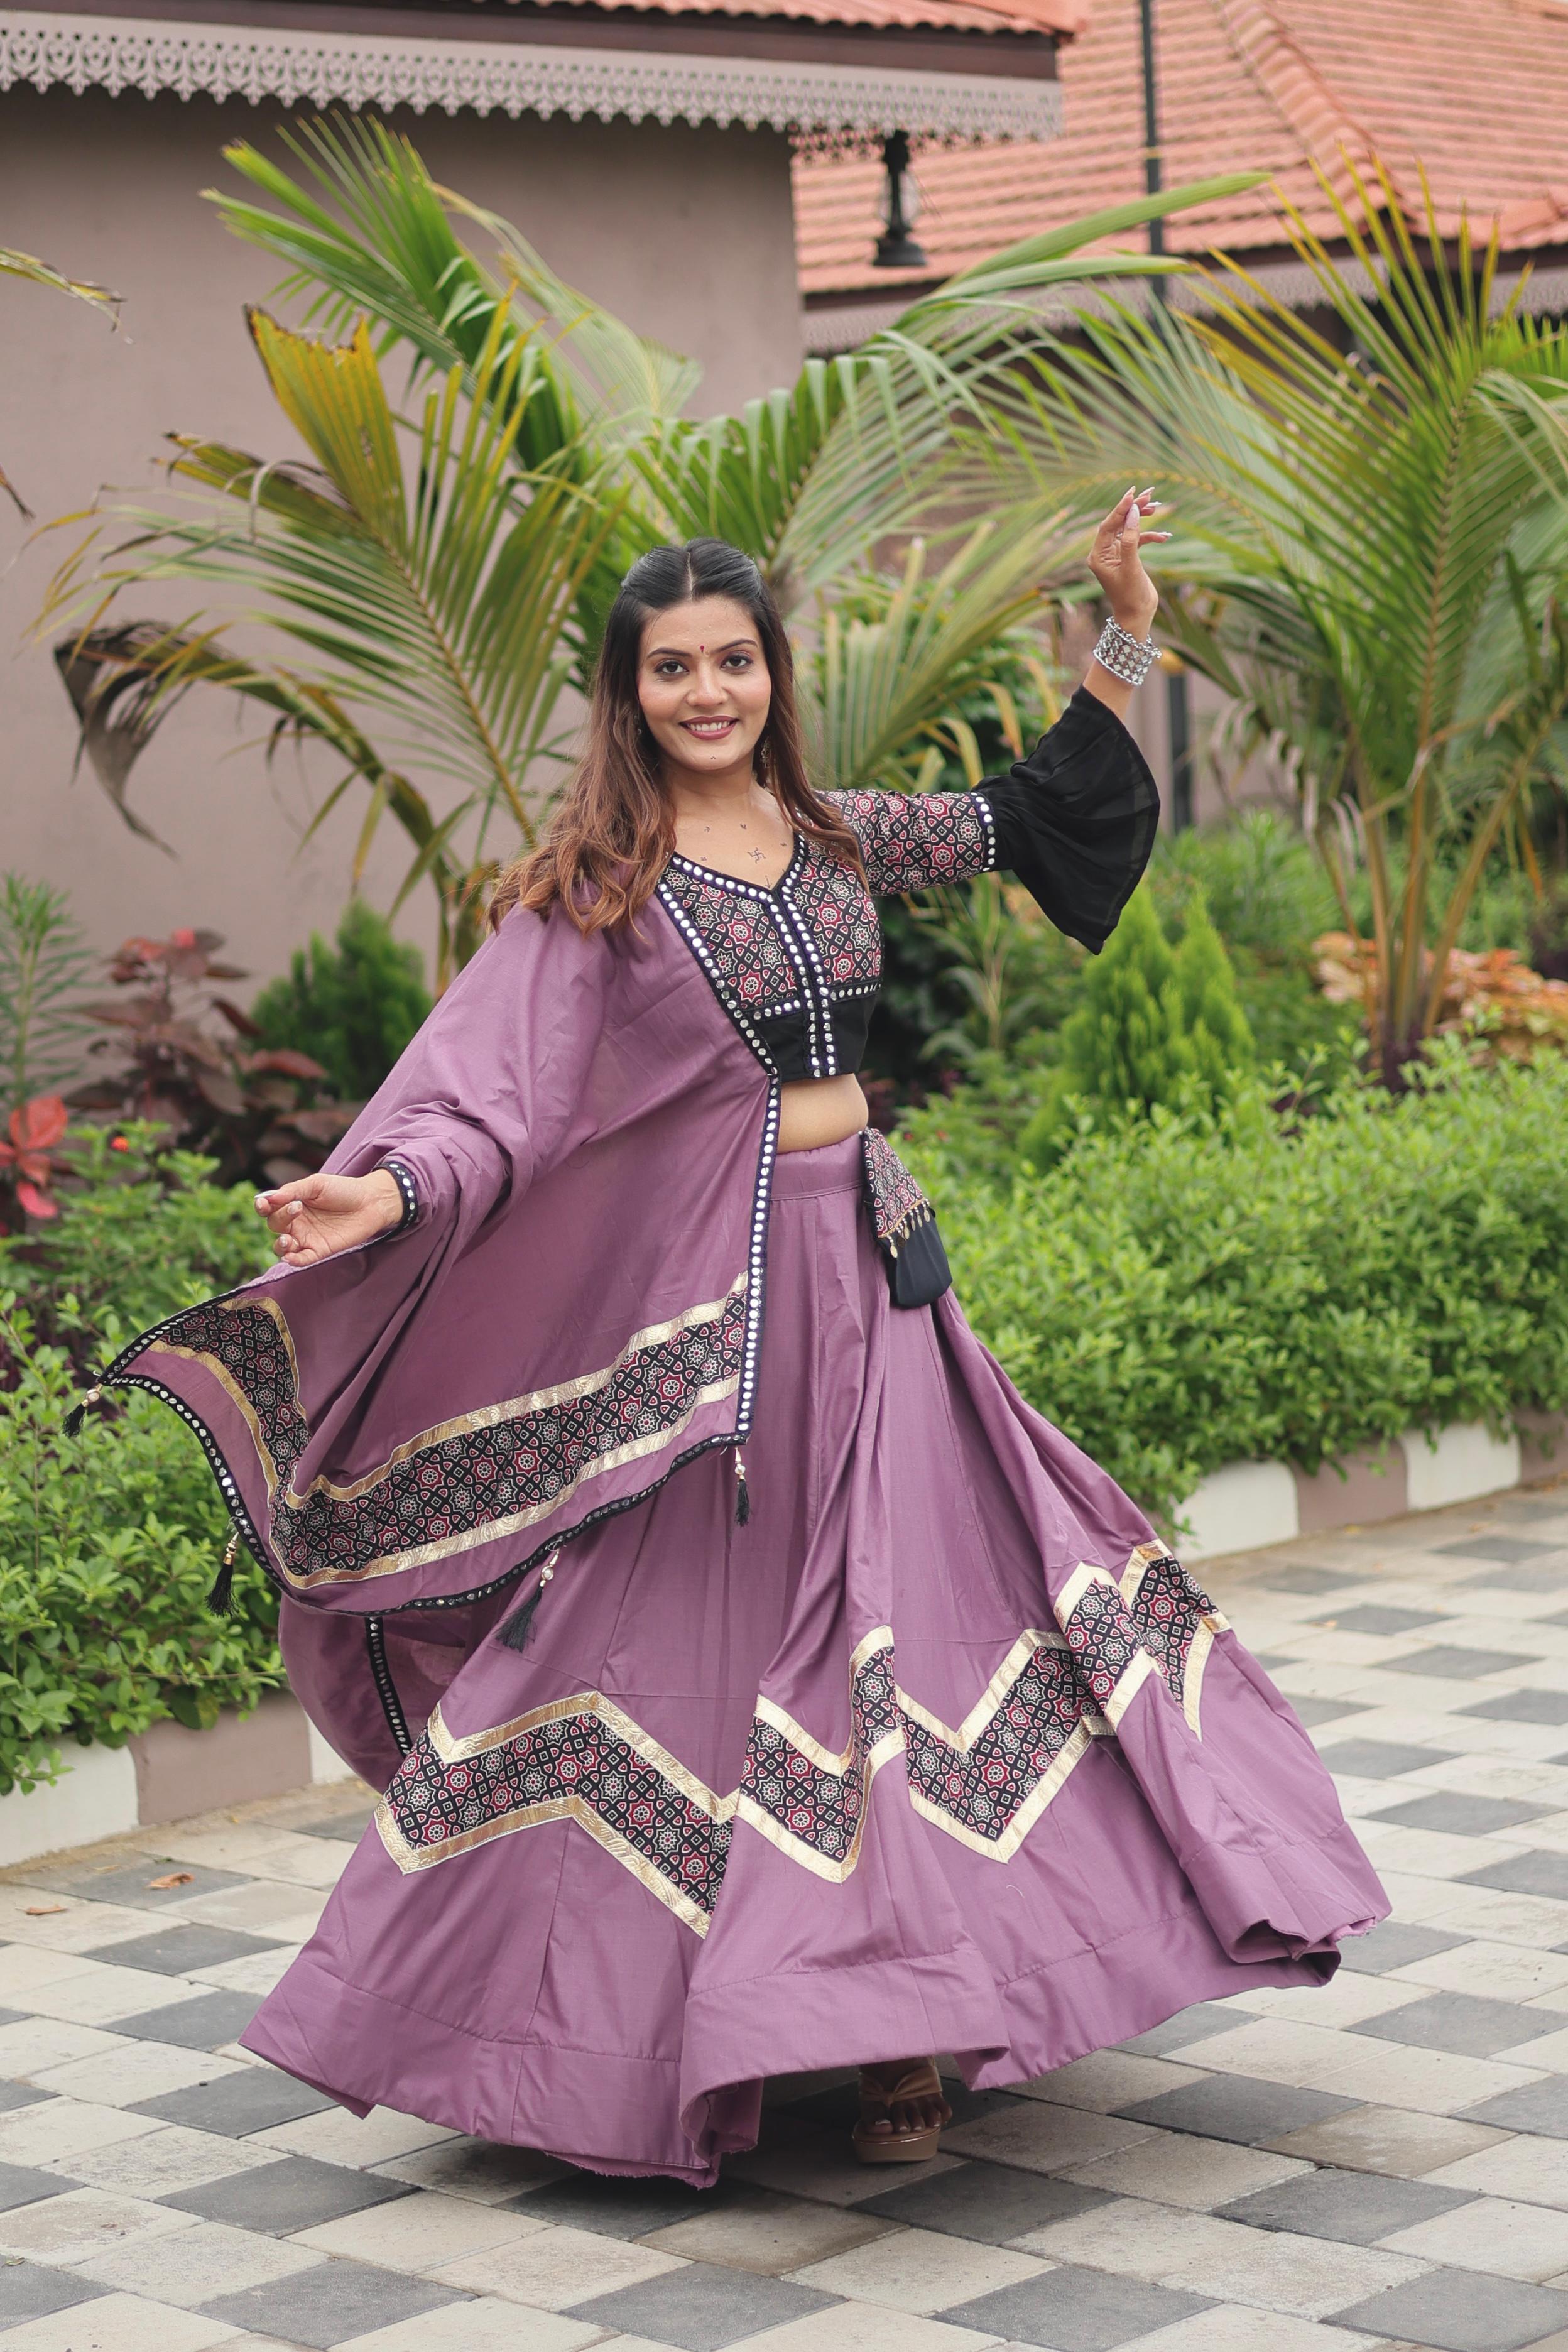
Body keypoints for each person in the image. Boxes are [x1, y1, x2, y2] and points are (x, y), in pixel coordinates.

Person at [92, 496, 1385, 2182]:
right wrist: (385, 1198)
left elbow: (1040, 812)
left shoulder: (841, 837)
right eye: (672, 670)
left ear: (773, 672)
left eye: (735, 661)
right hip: (730, 1331)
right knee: (751, 1655)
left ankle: (915, 2018)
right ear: (628, 698)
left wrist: (1123, 626)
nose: (711, 693)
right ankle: (722, 2022)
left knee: (927, 1627)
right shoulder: (599, 896)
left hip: (886, 1285)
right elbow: (502, 1101)